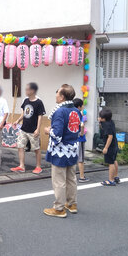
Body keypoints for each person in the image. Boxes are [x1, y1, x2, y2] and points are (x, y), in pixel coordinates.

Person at [43, 84, 81, 218]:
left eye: (57, 93)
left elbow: (57, 135)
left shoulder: (60, 112)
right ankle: (72, 203)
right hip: (73, 148)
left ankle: (59, 208)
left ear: (62, 97)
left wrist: (48, 131)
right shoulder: (76, 111)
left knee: (59, 180)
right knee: (71, 178)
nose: (56, 95)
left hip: (61, 150)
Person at [11, 82, 45, 174]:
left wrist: (38, 129)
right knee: (20, 146)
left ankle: (38, 167)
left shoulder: (39, 102)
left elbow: (40, 116)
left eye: (27, 89)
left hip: (33, 130)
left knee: (36, 149)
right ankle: (21, 166)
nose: (26, 91)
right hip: (23, 128)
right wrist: (18, 120)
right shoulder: (26, 100)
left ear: (33, 91)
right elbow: (24, 113)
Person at [99, 108, 120, 186]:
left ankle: (111, 180)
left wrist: (106, 148)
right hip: (114, 144)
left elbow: (110, 136)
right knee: (114, 160)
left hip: (110, 145)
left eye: (100, 117)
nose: (99, 118)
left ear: (104, 118)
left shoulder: (107, 125)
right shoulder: (110, 122)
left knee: (110, 163)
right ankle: (116, 177)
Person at [73, 98, 89, 182]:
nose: (83, 106)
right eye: (82, 105)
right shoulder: (79, 115)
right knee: (80, 159)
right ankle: (82, 177)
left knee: (73, 158)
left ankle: (71, 176)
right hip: (80, 139)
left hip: (73, 139)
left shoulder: (72, 114)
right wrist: (82, 132)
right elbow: (82, 125)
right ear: (79, 106)